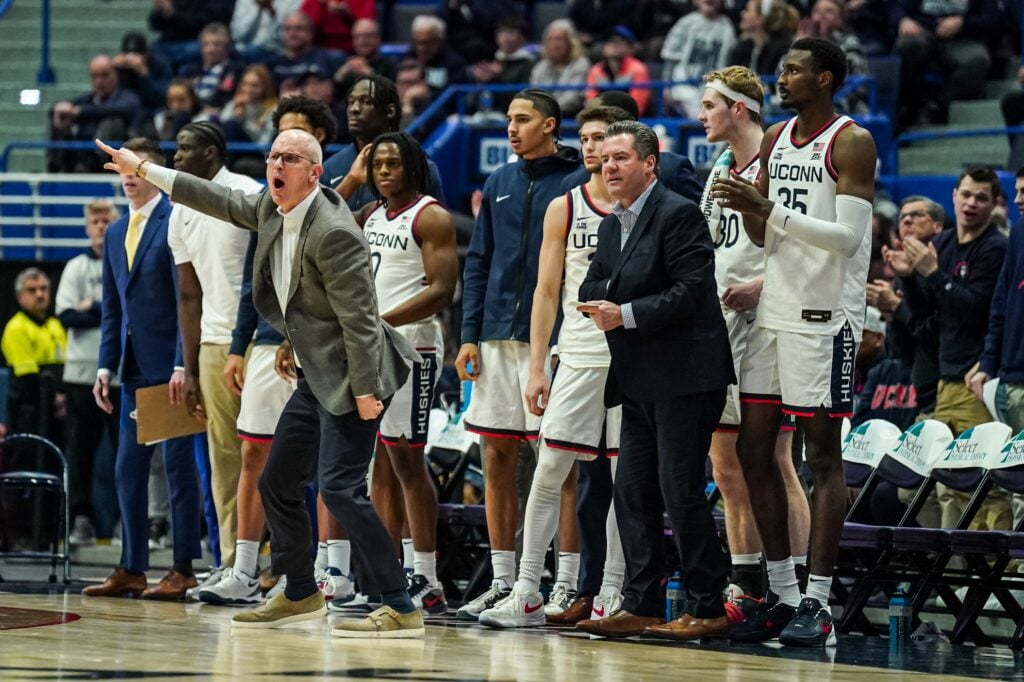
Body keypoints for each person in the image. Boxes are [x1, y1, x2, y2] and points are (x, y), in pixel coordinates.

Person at [96, 128, 424, 637]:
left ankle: (400, 602)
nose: (278, 164)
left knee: (339, 489)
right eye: (273, 155)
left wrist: (365, 394)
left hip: (360, 375)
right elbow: (213, 195)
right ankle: (299, 591)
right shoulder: (272, 207)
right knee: (276, 481)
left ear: (315, 173)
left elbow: (361, 321)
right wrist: (143, 169)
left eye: (291, 157)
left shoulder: (334, 231)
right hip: (317, 373)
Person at [711, 37, 877, 646]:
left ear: (826, 79)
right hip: (772, 313)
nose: (780, 79)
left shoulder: (851, 141)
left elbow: (847, 240)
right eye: (781, 69)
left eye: (793, 70)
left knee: (822, 459)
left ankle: (820, 600)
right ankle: (781, 594)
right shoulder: (777, 138)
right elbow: (762, 234)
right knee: (754, 453)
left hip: (826, 316)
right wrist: (748, 208)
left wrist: (767, 209)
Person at [573, 120, 735, 641]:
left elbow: (691, 290)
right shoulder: (610, 225)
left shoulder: (679, 214)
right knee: (633, 491)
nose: (609, 165)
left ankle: (708, 605)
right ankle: (642, 603)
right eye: (604, 158)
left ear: (650, 163)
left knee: (679, 489)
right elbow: (593, 280)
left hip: (688, 375)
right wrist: (604, 303)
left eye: (621, 157)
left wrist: (625, 312)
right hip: (638, 375)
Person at [477, 104, 632, 629]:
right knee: (549, 470)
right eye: (586, 140)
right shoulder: (565, 206)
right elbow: (546, 292)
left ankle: (611, 587)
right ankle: (526, 590)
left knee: (620, 479)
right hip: (579, 355)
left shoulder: (649, 207)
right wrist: (538, 366)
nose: (592, 151)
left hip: (633, 360)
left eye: (603, 142)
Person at [455, 89, 581, 620]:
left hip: (551, 342)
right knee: (495, 456)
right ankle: (504, 579)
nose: (512, 128)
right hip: (494, 337)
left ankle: (565, 583)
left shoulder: (576, 182)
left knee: (559, 464)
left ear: (550, 125)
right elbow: (478, 261)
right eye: (509, 119)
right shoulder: (500, 181)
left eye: (523, 119)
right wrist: (468, 333)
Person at [695, 66, 811, 618]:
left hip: (771, 320)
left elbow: (812, 245)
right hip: (723, 324)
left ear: (738, 108)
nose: (701, 115)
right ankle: (746, 581)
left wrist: (763, 285)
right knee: (726, 462)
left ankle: (802, 586)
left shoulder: (783, 160)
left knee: (774, 458)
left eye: (710, 105)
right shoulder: (718, 167)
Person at [85, 137, 203, 600]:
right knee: (127, 469)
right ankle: (131, 567)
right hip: (132, 369)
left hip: (171, 368)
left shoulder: (176, 218)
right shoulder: (114, 232)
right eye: (122, 168)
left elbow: (187, 301)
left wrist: (182, 361)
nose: (130, 175)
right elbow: (113, 310)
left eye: (139, 167)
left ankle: (183, 567)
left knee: (178, 469)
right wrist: (103, 367)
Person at [354, 132, 458, 614]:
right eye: (378, 165)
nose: (384, 171)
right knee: (380, 461)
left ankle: (427, 577)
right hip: (374, 351)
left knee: (408, 461)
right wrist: (352, 175)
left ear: (412, 167)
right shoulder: (372, 214)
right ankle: (387, 572)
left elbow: (441, 291)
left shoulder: (430, 216)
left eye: (394, 163)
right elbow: (319, 215)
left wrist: (380, 323)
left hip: (411, 350)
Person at [165, 122, 265, 603]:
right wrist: (188, 367)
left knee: (272, 455)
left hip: (261, 344)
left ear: (211, 152)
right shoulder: (178, 209)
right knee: (224, 461)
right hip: (210, 347)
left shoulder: (247, 194)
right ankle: (234, 563)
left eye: (185, 147)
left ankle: (289, 565)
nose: (176, 154)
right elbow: (188, 295)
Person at [887, 169, 1009, 532]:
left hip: (974, 380)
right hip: (944, 379)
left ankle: (1001, 575)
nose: (972, 203)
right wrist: (909, 277)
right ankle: (956, 579)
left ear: (993, 204)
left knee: (985, 489)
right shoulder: (941, 246)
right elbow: (927, 315)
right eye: (967, 195)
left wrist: (934, 275)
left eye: (982, 197)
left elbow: (977, 311)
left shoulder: (995, 248)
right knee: (939, 489)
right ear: (954, 196)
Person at [56, 200, 122, 545]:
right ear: (87, 227)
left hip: (121, 374)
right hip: (82, 373)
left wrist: (94, 307)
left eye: (106, 220)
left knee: (127, 452)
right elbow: (67, 316)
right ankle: (80, 519)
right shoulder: (76, 267)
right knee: (80, 451)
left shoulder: (125, 262)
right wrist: (108, 313)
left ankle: (127, 521)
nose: (100, 226)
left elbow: (127, 313)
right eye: (95, 221)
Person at [972, 168, 1024, 529]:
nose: (1018, 199)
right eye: (1018, 191)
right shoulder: (1019, 234)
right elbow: (1002, 302)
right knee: (1018, 491)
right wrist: (989, 362)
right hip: (1011, 383)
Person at [322, 75, 445, 210]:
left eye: (366, 101)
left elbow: (438, 224)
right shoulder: (330, 167)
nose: (354, 109)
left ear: (390, 111)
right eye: (351, 102)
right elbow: (316, 224)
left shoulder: (419, 168)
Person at [561, 91, 703, 204]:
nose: (588, 147)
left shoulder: (671, 170)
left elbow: (702, 223)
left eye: (599, 137)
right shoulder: (572, 183)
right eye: (584, 139)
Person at [891, 0, 1000, 127]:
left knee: (978, 60)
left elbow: (995, 20)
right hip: (922, 32)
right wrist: (903, 20)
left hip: (964, 38)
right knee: (907, 45)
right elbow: (896, 9)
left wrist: (963, 23)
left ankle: (936, 107)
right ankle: (905, 106)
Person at [2, 268, 66, 462]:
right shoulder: (16, 328)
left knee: (54, 463)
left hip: (57, 411)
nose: (40, 294)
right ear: (20, 296)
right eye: (32, 290)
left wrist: (63, 397)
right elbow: (27, 378)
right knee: (25, 462)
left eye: (44, 288)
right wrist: (54, 399)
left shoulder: (57, 325)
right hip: (28, 411)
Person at [48, 56, 141, 173]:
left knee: (112, 122)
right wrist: (59, 109)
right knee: (62, 116)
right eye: (94, 76)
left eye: (104, 75)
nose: (99, 81)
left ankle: (93, 162)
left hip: (109, 163)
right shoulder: (86, 101)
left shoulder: (127, 97)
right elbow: (63, 108)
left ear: (116, 75)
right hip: (79, 157)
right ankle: (56, 167)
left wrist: (80, 112)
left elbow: (118, 109)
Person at [661, 0, 737, 117]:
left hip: (714, 88)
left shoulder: (727, 28)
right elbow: (670, 57)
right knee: (700, 114)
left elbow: (729, 64)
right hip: (684, 85)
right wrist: (666, 88)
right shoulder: (686, 23)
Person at [470, 15, 537, 112]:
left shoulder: (528, 64)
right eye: (502, 33)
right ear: (496, 38)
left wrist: (497, 77)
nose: (506, 38)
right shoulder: (493, 60)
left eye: (511, 33)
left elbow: (522, 96)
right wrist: (480, 80)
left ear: (521, 38)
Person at [176, 23, 243, 114]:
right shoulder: (189, 71)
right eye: (205, 44)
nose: (210, 50)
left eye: (216, 44)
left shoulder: (237, 71)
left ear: (226, 47)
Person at [529, 20, 590, 119]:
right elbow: (534, 95)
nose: (554, 45)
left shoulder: (581, 64)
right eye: (550, 40)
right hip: (543, 116)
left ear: (570, 42)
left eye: (559, 39)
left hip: (570, 118)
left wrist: (548, 110)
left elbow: (573, 98)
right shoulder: (540, 67)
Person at [585, 26, 651, 116]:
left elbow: (637, 106)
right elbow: (591, 103)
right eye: (609, 41)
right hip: (602, 119)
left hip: (631, 123)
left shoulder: (638, 69)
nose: (614, 45)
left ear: (630, 48)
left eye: (620, 41)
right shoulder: (595, 70)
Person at [267, 12, 337, 91]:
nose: (292, 33)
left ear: (310, 33)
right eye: (288, 29)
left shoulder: (322, 58)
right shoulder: (273, 62)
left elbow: (323, 89)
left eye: (299, 28)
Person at [729, 0, 798, 76]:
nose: (742, 14)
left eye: (747, 10)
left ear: (761, 18)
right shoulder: (744, 47)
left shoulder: (781, 50)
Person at [407, 15, 469, 95]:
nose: (421, 48)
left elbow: (453, 97)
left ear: (439, 41)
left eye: (426, 43)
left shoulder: (454, 64)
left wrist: (427, 94)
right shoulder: (408, 59)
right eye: (418, 42)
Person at [113, 31, 173, 114]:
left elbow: (161, 98)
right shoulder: (120, 67)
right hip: (126, 108)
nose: (132, 60)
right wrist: (114, 70)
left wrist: (144, 74)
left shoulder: (160, 65)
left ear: (147, 53)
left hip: (151, 109)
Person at [220, 65, 279, 147]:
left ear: (265, 87)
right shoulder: (235, 103)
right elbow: (222, 127)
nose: (248, 89)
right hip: (232, 149)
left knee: (232, 125)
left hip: (255, 150)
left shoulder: (273, 108)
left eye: (254, 86)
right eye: (245, 84)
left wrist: (242, 121)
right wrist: (236, 112)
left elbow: (263, 141)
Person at [334, 18, 397, 90]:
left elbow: (390, 93)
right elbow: (332, 92)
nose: (362, 41)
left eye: (367, 36)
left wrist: (367, 73)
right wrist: (343, 72)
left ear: (378, 38)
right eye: (357, 37)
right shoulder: (345, 64)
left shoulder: (389, 65)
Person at [230, 0, 302, 61]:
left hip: (277, 50)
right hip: (244, 50)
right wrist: (258, 9)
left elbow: (286, 38)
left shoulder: (293, 2)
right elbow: (237, 35)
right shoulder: (245, 1)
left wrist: (270, 10)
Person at [300, 0, 375, 54]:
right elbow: (306, 29)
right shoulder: (313, 2)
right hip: (320, 51)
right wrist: (320, 6)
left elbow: (368, 27)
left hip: (354, 52)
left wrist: (347, 15)